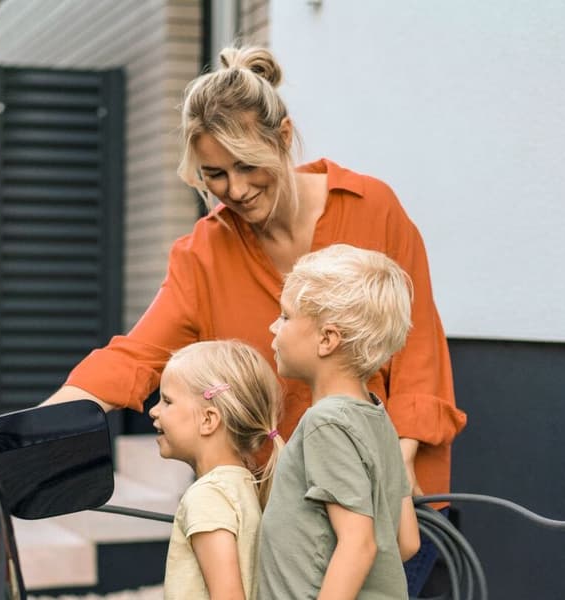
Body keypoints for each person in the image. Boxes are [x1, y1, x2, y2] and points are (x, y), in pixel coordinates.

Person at [42, 45, 467, 592]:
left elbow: (418, 353)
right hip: (290, 520)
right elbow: (132, 358)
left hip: (392, 507)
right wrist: (25, 435)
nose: (235, 190)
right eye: (215, 174)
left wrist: (396, 471)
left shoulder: (371, 208)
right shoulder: (204, 253)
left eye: (247, 165)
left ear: (284, 138)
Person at [259, 243, 420, 598]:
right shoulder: (378, 418)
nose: (273, 326)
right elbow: (406, 541)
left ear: (327, 339)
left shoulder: (326, 423)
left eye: (285, 316)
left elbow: (359, 543)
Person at [149, 340, 284, 600]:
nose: (154, 411)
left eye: (167, 401)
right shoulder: (243, 486)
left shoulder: (207, 496)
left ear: (208, 420)